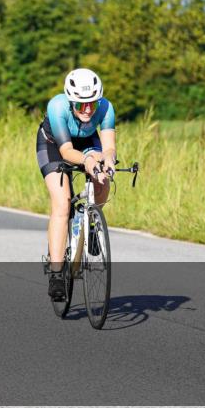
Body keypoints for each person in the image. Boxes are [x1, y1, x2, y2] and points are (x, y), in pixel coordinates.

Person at [36, 68, 117, 300]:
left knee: (102, 179)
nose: (88, 109)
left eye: (93, 103)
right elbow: (66, 151)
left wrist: (108, 160)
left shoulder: (106, 107)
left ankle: (91, 223)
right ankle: (56, 273)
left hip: (87, 142)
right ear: (71, 101)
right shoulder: (57, 107)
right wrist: (88, 161)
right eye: (81, 105)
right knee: (62, 204)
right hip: (54, 145)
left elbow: (109, 147)